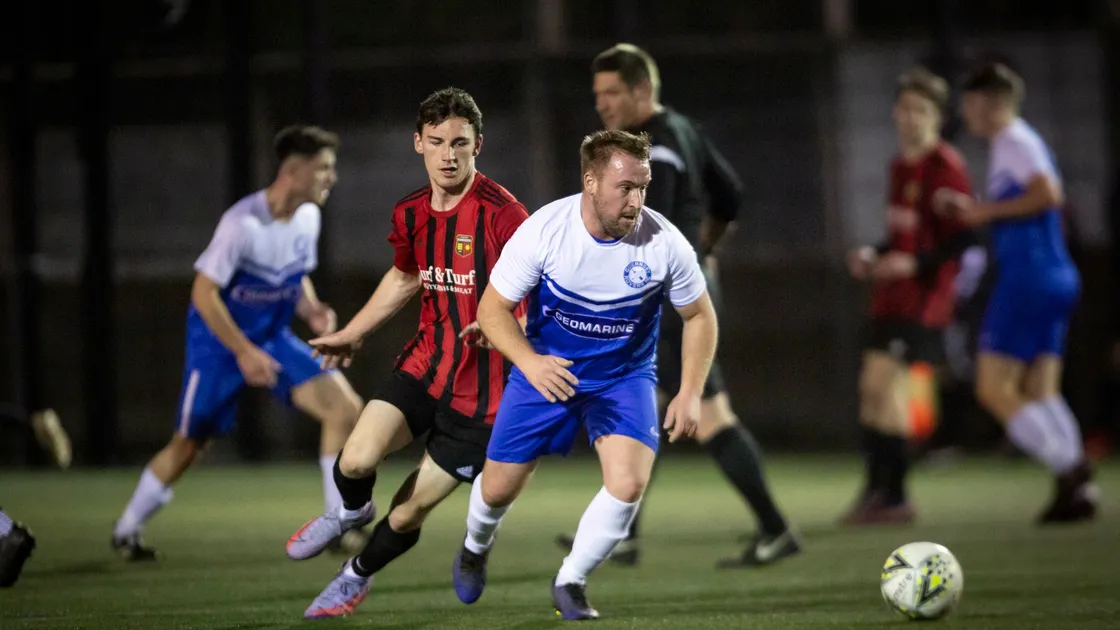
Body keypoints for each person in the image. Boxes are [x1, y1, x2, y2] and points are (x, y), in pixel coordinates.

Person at [284, 88, 530, 619]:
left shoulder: (504, 215)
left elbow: (533, 295)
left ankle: (355, 577)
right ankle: (351, 510)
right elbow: (405, 276)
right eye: (437, 142)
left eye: (460, 143)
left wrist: (507, 328)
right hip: (425, 366)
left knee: (407, 511)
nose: (448, 155)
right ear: (418, 142)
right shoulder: (411, 212)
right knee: (353, 460)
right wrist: (354, 332)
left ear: (477, 145)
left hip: (482, 396)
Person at [450, 129, 716, 620]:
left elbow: (700, 315)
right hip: (547, 370)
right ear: (591, 182)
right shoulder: (545, 231)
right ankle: (474, 544)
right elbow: (492, 310)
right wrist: (530, 362)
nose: (636, 200)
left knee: (629, 482)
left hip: (623, 377)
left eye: (643, 186)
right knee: (497, 488)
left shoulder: (663, 242)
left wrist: (691, 392)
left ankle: (570, 580)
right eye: (625, 187)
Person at [553, 42, 797, 568]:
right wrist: (704, 252)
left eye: (613, 92)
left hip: (669, 300)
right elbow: (729, 195)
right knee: (645, 405)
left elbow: (636, 232)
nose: (603, 104)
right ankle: (623, 533)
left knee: (707, 414)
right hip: (686, 290)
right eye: (598, 94)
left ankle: (775, 529)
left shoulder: (654, 151)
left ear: (643, 90)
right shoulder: (684, 130)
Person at [110, 125, 364, 560]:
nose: (331, 178)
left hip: (272, 337)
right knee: (190, 444)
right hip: (218, 346)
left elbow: (294, 272)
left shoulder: (308, 216)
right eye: (323, 168)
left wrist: (312, 308)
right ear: (293, 169)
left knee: (344, 409)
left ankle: (336, 523)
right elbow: (203, 294)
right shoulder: (241, 224)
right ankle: (127, 529)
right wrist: (243, 352)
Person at [945, 62, 1097, 522]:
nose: (965, 112)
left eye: (970, 102)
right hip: (1055, 275)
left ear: (990, 102)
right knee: (1040, 389)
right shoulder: (1017, 142)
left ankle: (1071, 469)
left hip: (1029, 276)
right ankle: (1080, 493)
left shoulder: (1014, 140)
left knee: (993, 388)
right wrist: (980, 210)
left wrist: (982, 212)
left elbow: (1048, 194)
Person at [842, 67, 975, 524]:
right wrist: (872, 253)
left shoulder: (946, 167)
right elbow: (903, 236)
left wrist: (915, 265)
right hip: (890, 294)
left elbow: (963, 239)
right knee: (869, 390)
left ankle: (896, 496)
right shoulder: (900, 167)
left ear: (938, 116)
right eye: (904, 108)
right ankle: (877, 489)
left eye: (920, 110)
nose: (909, 118)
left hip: (923, 299)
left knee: (887, 386)